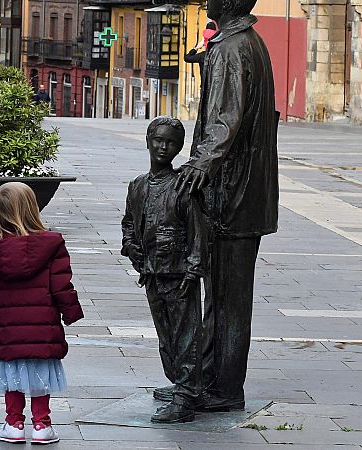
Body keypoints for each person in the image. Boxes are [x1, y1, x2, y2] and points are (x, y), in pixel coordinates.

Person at [176, 0, 279, 412]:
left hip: (231, 194)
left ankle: (223, 388)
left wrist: (200, 166)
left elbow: (226, 117)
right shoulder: (245, 42)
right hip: (245, 192)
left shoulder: (232, 49)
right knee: (222, 296)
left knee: (228, 298)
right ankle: (209, 380)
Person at [0, 182, 83, 445]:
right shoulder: (52, 245)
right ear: (33, 209)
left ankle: (14, 423)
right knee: (40, 374)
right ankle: (42, 425)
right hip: (43, 327)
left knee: (12, 376)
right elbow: (62, 284)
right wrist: (71, 312)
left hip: (6, 328)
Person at [121, 117, 206, 423]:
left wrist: (194, 270)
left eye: (171, 142)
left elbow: (198, 231)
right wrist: (134, 252)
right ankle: (181, 383)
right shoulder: (138, 185)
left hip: (179, 273)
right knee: (166, 336)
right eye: (158, 140)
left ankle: (185, 396)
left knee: (186, 335)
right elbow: (129, 224)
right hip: (152, 272)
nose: (163, 147)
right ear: (148, 139)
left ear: (178, 148)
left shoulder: (183, 187)